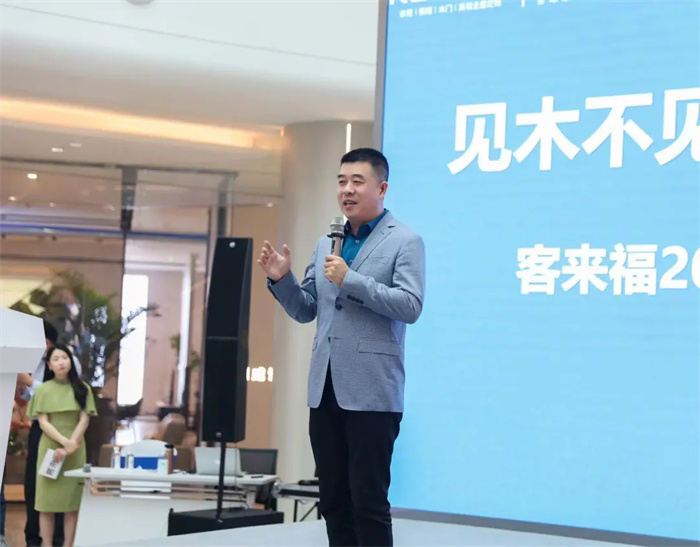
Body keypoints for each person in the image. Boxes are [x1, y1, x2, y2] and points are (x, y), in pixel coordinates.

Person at [258, 147, 426, 546]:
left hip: (372, 393)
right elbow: (307, 309)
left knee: (368, 501)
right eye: (341, 181)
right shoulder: (326, 243)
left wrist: (350, 280)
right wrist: (282, 280)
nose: (347, 190)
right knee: (333, 501)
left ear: (381, 189)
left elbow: (410, 305)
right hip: (325, 390)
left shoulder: (405, 241)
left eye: (357, 182)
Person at [28, 344, 96, 547]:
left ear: (71, 362)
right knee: (46, 503)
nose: (61, 362)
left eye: (64, 358)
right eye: (56, 359)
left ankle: (68, 545)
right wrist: (65, 443)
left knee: (71, 503)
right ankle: (47, 544)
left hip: (75, 449)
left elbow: (84, 420)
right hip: (50, 449)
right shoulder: (43, 390)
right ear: (49, 365)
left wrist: (71, 445)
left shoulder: (83, 389)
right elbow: (43, 422)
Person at [21, 320, 82, 547]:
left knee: (60, 484)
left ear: (47, 342)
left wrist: (28, 381)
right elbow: (31, 398)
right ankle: (33, 537)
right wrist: (24, 386)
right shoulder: (34, 362)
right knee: (35, 483)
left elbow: (62, 391)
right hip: (40, 430)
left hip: (65, 431)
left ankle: (59, 539)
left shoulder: (67, 360)